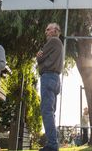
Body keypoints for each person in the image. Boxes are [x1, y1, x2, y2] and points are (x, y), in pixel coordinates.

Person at [36, 23, 63, 151]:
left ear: (55, 31)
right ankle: (53, 142)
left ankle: (52, 144)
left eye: (48, 29)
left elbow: (39, 58)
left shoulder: (53, 41)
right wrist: (40, 56)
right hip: (55, 79)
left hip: (48, 76)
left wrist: (38, 57)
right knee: (51, 112)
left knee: (46, 110)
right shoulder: (58, 43)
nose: (46, 31)